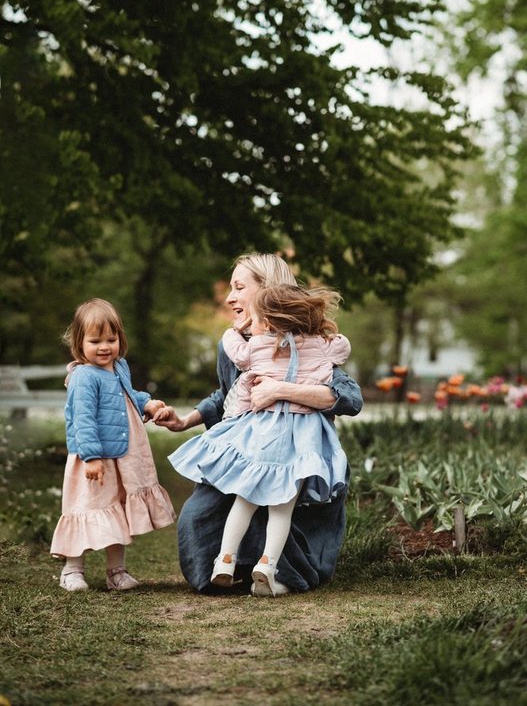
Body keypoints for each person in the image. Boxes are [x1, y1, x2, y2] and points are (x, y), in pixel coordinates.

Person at [153, 252, 363, 596]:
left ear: (267, 290)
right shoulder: (238, 343)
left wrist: (280, 389)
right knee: (197, 515)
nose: (230, 297)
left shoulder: (306, 340)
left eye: (239, 288)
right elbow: (225, 395)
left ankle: (271, 569)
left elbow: (349, 398)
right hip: (251, 445)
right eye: (230, 289)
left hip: (294, 454)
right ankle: (226, 566)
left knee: (276, 507)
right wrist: (184, 420)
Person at [50, 298, 176, 592]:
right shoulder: (83, 377)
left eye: (112, 338)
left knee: (116, 509)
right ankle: (72, 569)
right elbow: (82, 419)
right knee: (86, 506)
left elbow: (127, 395)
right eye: (95, 340)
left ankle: (116, 570)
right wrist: (91, 457)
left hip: (121, 458)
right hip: (94, 458)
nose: (105, 346)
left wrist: (148, 403)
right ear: (79, 344)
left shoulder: (118, 367)